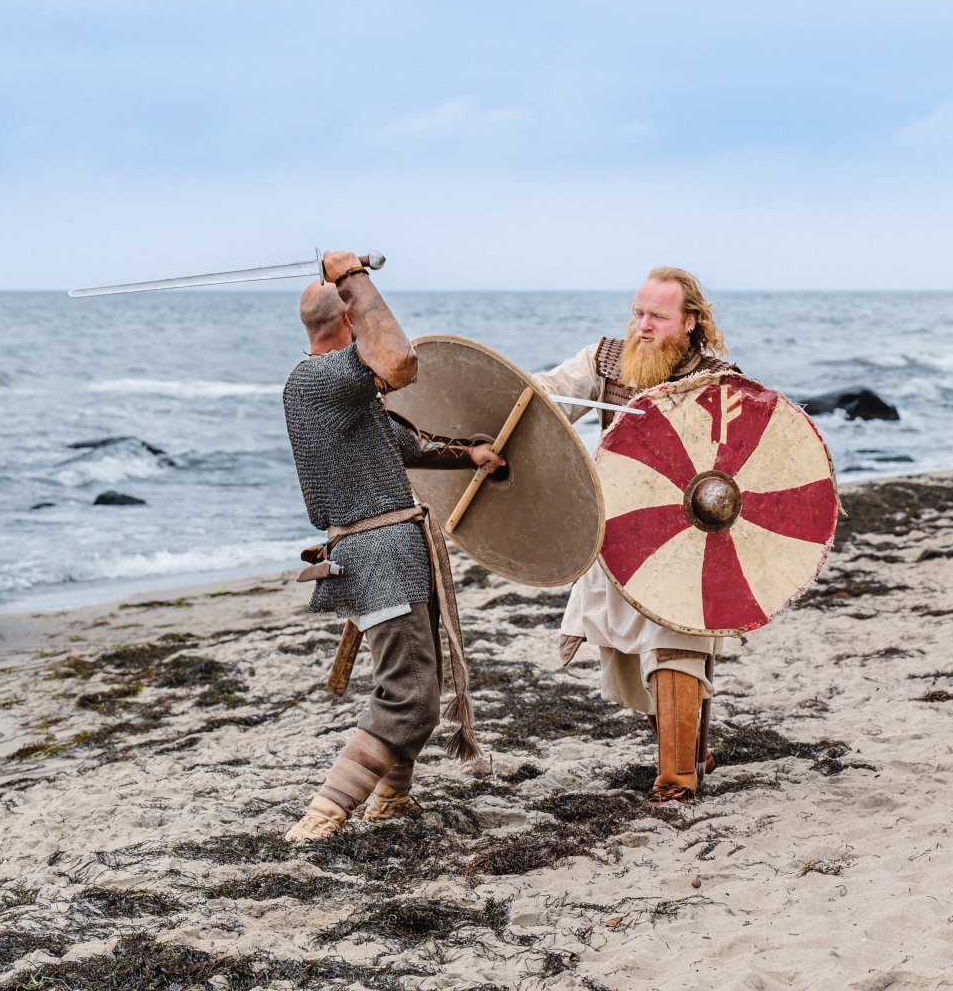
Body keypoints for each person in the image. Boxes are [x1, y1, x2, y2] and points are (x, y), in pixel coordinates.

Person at [280, 251, 505, 842]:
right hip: (379, 556)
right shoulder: (320, 380)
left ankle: (391, 796)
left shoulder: (344, 397)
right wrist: (355, 280)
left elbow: (403, 443)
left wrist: (470, 453)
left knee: (414, 677)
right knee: (409, 698)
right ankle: (324, 813)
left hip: (392, 550)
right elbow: (400, 359)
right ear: (350, 323)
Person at [533, 266, 739, 804]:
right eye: (638, 312)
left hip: (693, 536)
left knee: (677, 646)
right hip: (623, 535)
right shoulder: (605, 360)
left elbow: (742, 463)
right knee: (632, 657)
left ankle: (677, 780)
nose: (642, 326)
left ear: (691, 322)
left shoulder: (720, 381)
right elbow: (548, 398)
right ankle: (692, 751)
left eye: (657, 316)